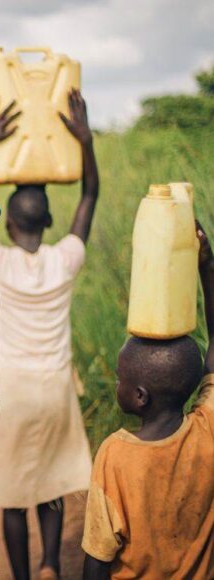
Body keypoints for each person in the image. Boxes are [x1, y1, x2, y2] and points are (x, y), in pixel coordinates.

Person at [0, 89, 100, 580]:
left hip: (11, 391)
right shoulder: (65, 260)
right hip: (57, 386)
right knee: (52, 482)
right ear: (47, 221)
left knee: (14, 495)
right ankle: (49, 565)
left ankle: (24, 575)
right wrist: (84, 140)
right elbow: (89, 195)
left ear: (7, 222)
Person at [82, 221, 214, 579]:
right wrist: (207, 267)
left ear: (140, 397)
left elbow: (97, 558)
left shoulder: (115, 456)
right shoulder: (208, 430)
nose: (116, 380)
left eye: (120, 377)